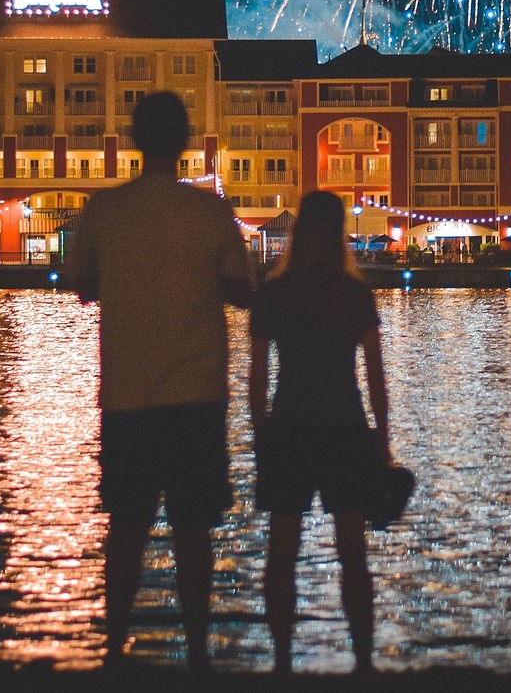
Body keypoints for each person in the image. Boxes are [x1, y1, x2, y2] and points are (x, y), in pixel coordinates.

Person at [65, 91, 255, 672]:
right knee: (194, 530)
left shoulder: (104, 212)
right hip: (197, 395)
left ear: (133, 139)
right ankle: (197, 653)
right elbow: (244, 289)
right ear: (186, 142)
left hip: (127, 395)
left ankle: (115, 650)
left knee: (126, 525)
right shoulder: (211, 214)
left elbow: (80, 284)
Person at [249, 190, 391, 675]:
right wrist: (382, 437)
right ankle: (364, 662)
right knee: (353, 551)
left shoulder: (275, 292)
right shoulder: (355, 294)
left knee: (282, 550)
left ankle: (283, 661)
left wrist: (260, 430)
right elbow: (374, 373)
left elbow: (257, 373)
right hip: (345, 425)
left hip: (288, 423)